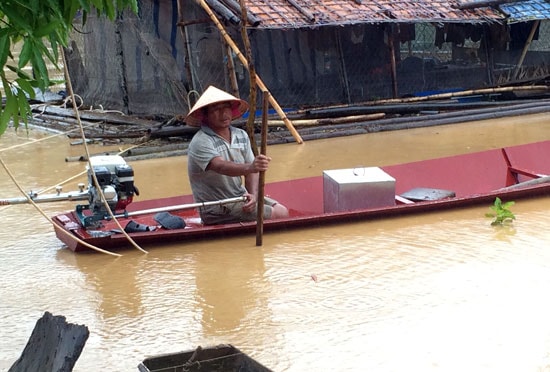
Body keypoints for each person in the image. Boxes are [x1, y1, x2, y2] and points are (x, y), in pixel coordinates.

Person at [185, 85, 289, 225]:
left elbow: (252, 172)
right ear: (206, 115)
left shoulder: (241, 135)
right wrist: (251, 167)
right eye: (216, 109)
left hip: (240, 197)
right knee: (277, 215)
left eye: (226, 107)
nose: (223, 113)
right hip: (217, 207)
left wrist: (252, 195)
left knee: (282, 211)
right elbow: (220, 166)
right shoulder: (201, 141)